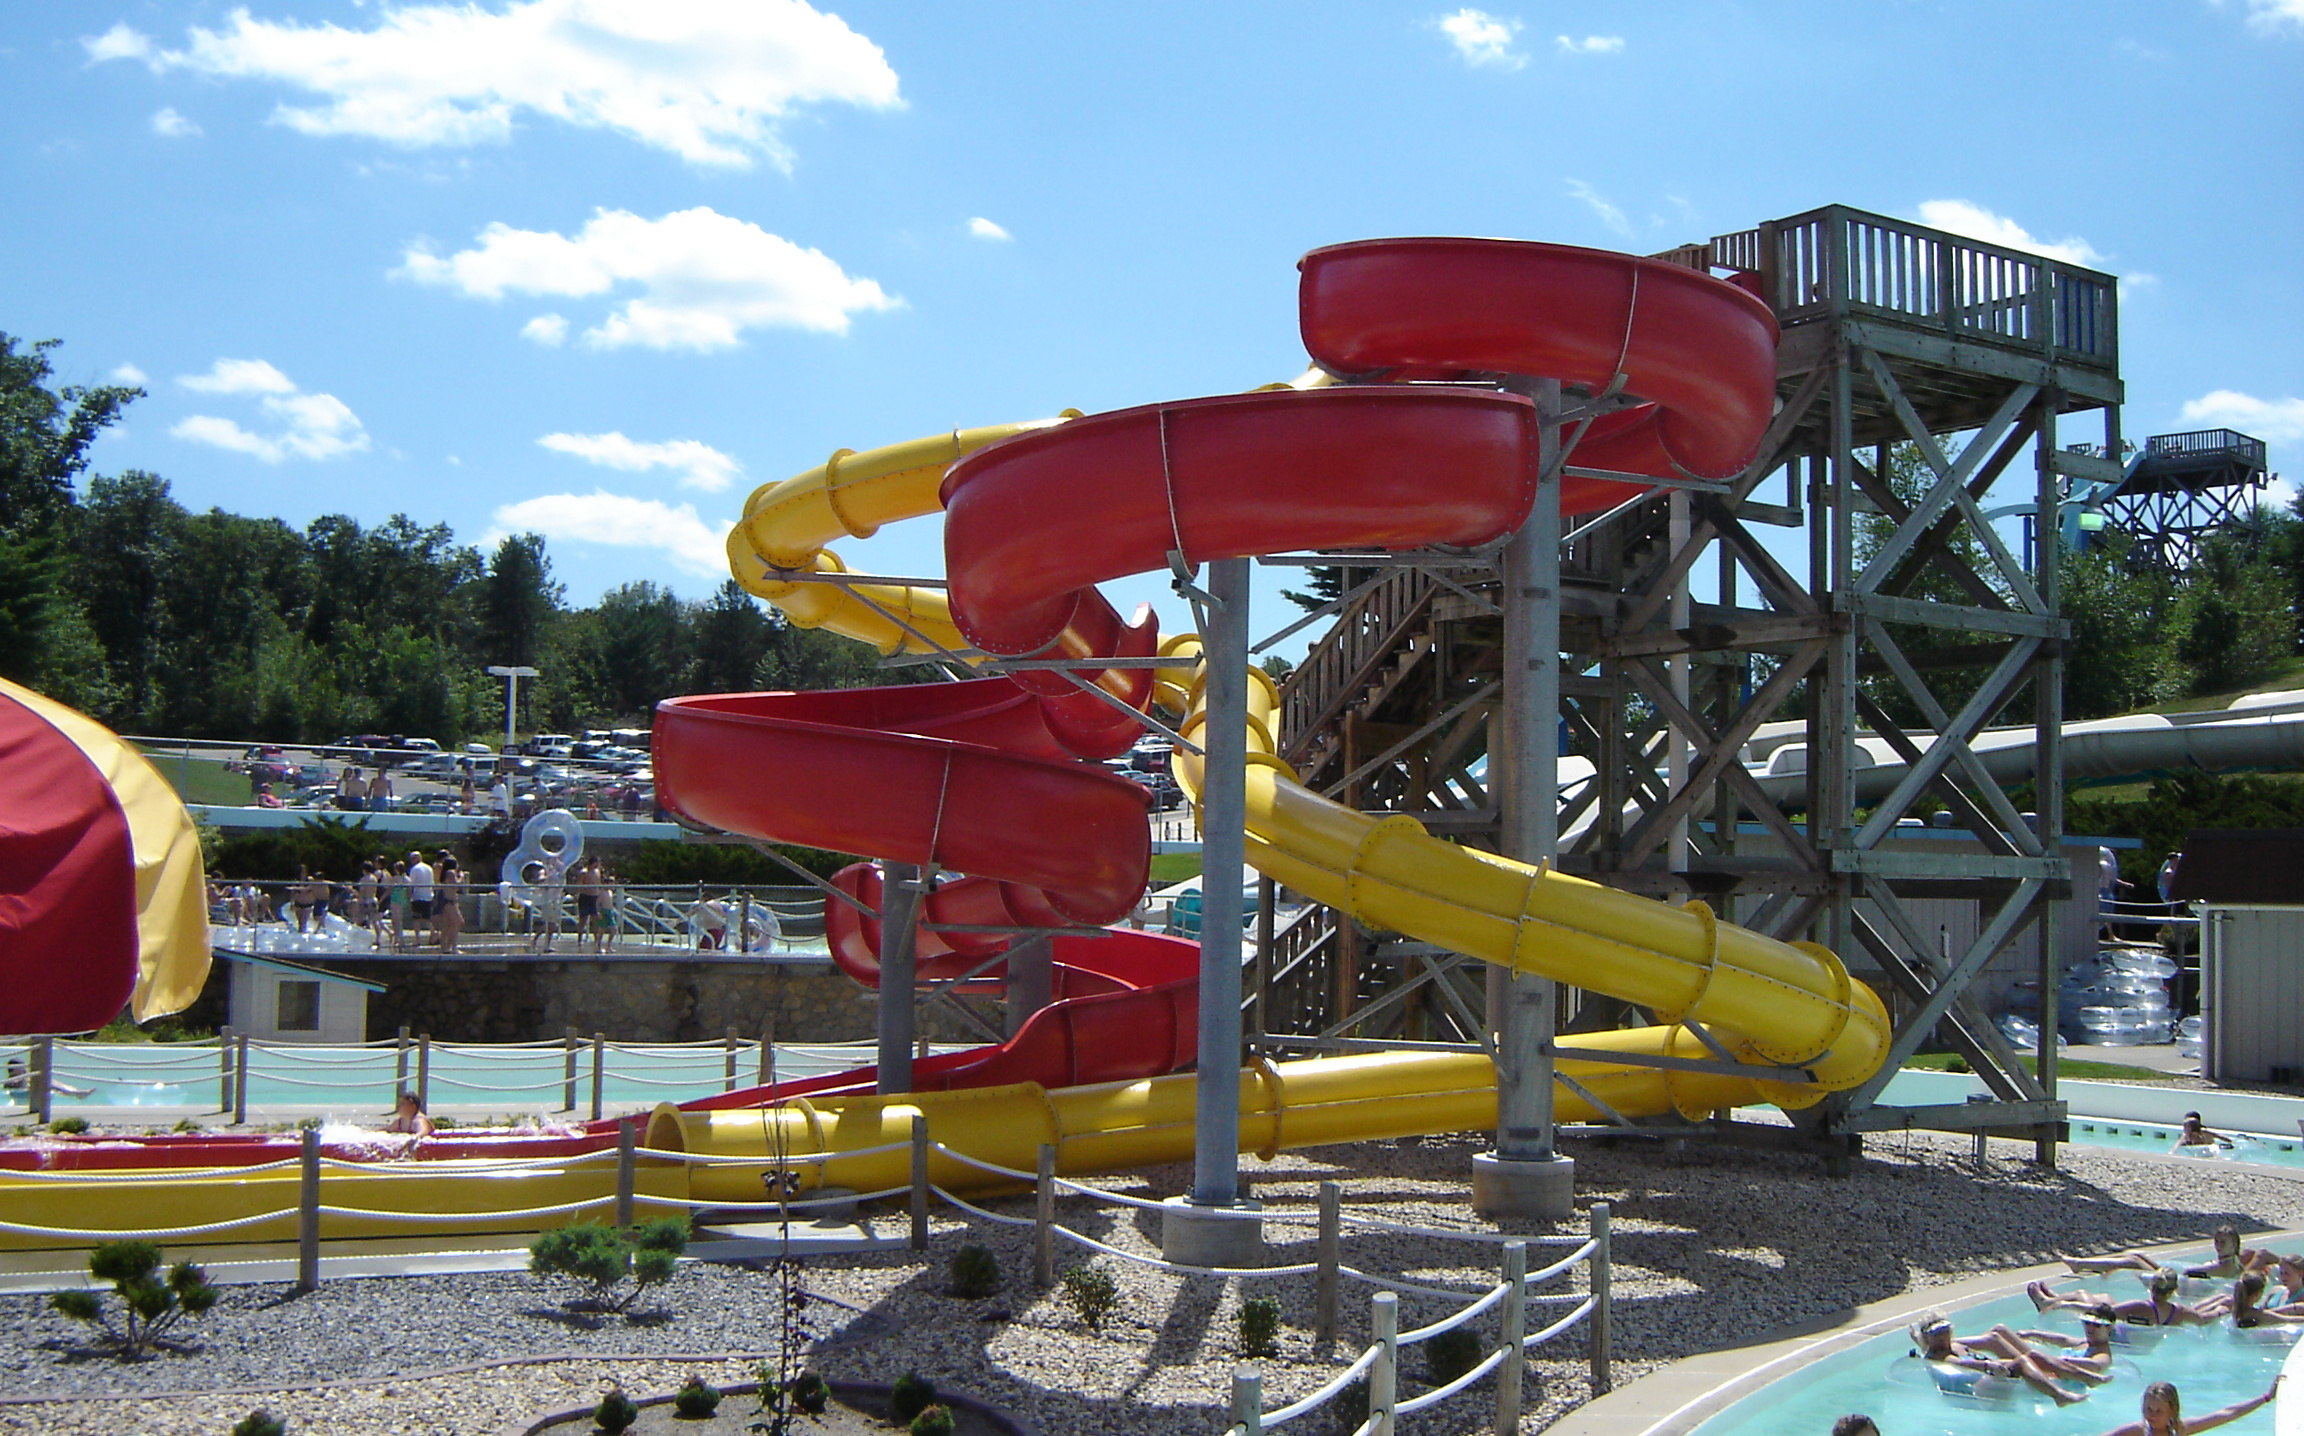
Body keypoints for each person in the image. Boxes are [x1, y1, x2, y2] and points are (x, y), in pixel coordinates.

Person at [1908, 1311, 2087, 1405]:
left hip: (1985, 1380)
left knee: (2030, 1354)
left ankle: (2084, 1376)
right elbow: (1961, 1363)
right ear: (1928, 1337)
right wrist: (1988, 1365)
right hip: (1976, 1391)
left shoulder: (1953, 1345)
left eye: (1945, 1330)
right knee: (2023, 1362)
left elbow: (1986, 1341)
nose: (1942, 1335)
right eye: (1936, 1333)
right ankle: (2059, 1396)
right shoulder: (1939, 1355)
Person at [2032, 1270, 2229, 1327]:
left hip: (2125, 1335)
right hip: (2153, 1328)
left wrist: (2067, 1305)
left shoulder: (2140, 1306)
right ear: (2173, 1290)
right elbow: (2202, 1319)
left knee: (2083, 1294)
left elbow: (2100, 1311)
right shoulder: (2178, 1312)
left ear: (2151, 1288)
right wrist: (2221, 1309)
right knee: (2105, 1296)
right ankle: (2053, 1297)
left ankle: (2049, 1301)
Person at [2091, 1379, 2278, 1436]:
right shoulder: (2137, 1431)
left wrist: (2265, 1397)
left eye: (2158, 1411)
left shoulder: (2180, 1429)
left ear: (2172, 1410)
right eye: (2148, 1409)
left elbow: (2226, 1414)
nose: (2152, 1416)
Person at [2229, 1270, 2304, 1328]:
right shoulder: (2259, 1315)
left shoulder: (2236, 1311)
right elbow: (2288, 1320)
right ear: (2257, 1295)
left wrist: (2292, 1307)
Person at [435, 852, 465, 955]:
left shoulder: (446, 873)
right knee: (458, 922)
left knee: (448, 925)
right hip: (449, 902)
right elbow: (456, 885)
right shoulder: (450, 873)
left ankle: (444, 947)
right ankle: (454, 946)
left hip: (449, 901)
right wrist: (461, 876)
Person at [407, 850, 436, 947]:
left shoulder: (414, 869)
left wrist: (409, 896)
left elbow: (411, 884)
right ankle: (434, 933)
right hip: (428, 895)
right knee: (427, 918)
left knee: (416, 918)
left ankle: (418, 940)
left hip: (417, 896)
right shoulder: (429, 868)